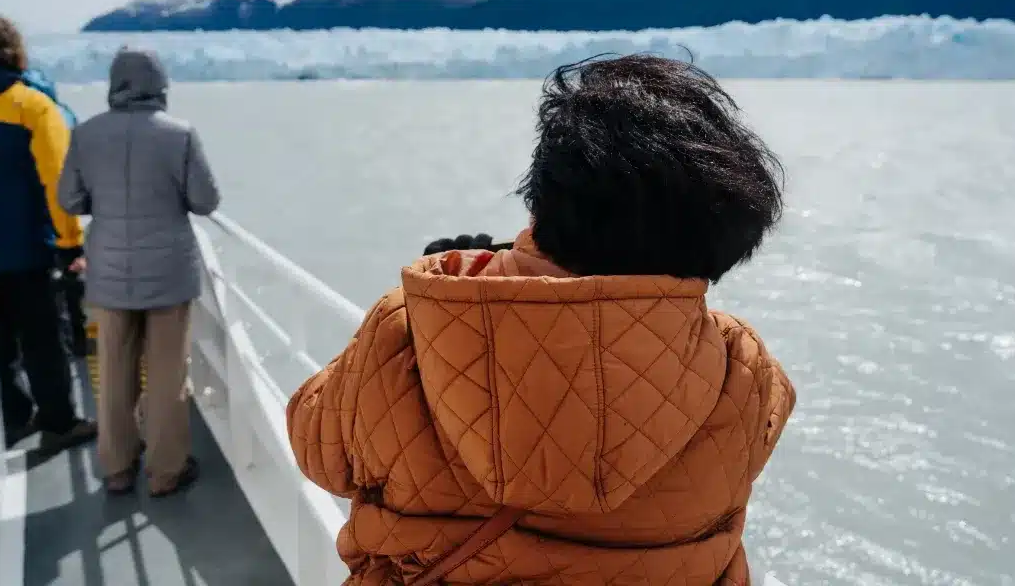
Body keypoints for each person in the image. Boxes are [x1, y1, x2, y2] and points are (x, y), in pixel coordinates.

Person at [286, 54, 796, 584]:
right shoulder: (744, 368)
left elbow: (318, 448)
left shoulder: (406, 333)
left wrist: (456, 295)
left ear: (543, 196)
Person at [58, 47, 221, 497]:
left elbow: (69, 200)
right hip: (168, 274)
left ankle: (116, 468)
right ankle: (166, 471)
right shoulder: (180, 135)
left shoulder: (86, 134)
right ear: (160, 84)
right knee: (167, 374)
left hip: (109, 272)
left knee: (113, 371)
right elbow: (206, 200)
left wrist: (104, 203)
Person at [0, 13, 98, 451]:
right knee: (44, 339)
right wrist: (69, 242)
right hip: (28, 249)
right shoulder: (29, 104)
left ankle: (14, 416)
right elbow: (57, 180)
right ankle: (59, 422)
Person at [21, 67, 89, 357]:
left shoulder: (15, 110)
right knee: (72, 280)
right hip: (67, 214)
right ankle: (79, 339)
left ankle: (58, 341)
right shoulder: (62, 113)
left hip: (31, 217)